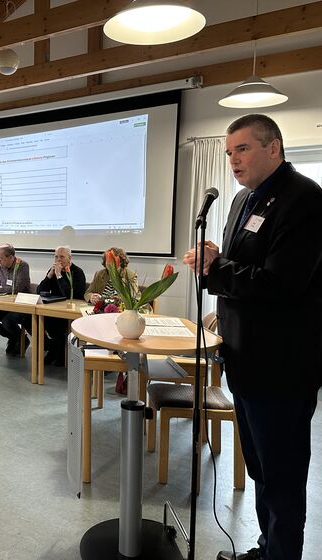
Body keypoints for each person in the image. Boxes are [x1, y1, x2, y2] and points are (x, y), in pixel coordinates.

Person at [183, 114, 322, 560]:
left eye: (242, 149)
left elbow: (281, 284)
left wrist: (218, 268)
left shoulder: (305, 199)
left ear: (273, 148)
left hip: (282, 367)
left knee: (282, 475)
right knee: (261, 469)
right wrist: (216, 257)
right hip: (244, 360)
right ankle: (267, 549)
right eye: (228, 152)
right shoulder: (243, 199)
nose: (233, 160)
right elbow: (243, 264)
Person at [37, 246, 86, 366]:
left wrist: (59, 275)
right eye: (56, 257)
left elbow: (71, 295)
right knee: (31, 319)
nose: (58, 260)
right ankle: (54, 349)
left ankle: (57, 353)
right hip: (53, 308)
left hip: (70, 310)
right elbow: (39, 291)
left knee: (56, 324)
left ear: (70, 258)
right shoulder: (53, 271)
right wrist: (49, 276)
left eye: (62, 257)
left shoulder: (78, 272)